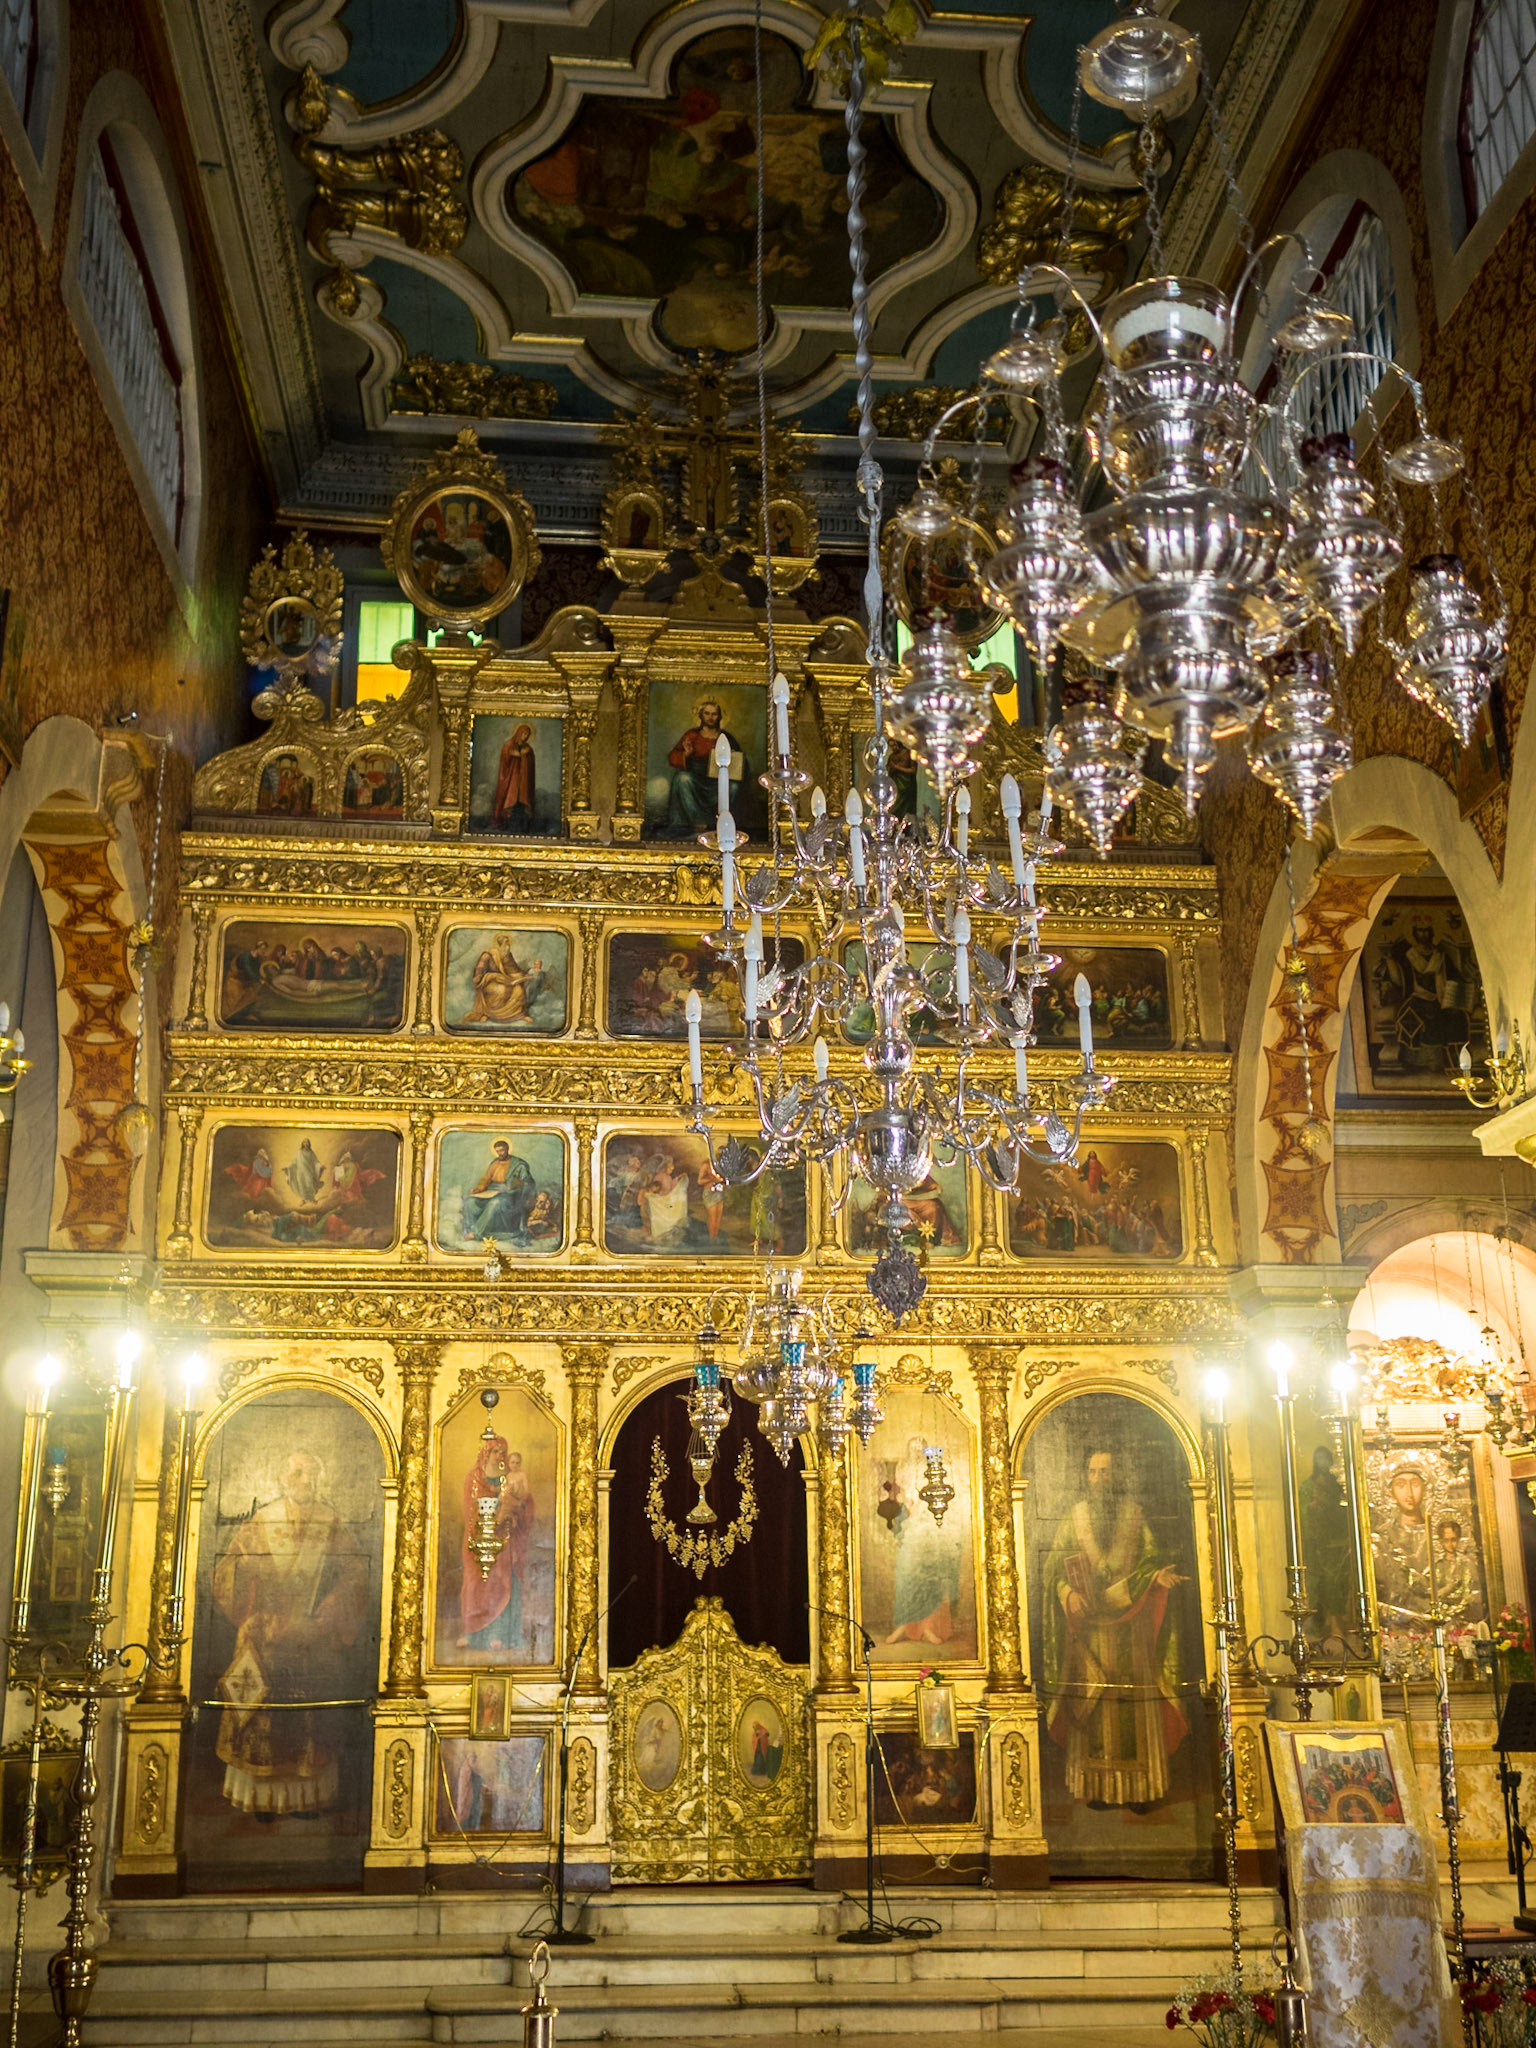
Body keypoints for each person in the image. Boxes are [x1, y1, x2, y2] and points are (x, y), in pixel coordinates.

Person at [212, 1450, 369, 1815]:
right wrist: (247, 1579)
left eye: (312, 1476)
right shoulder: (262, 1520)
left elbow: (357, 1574)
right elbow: (226, 1573)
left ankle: (306, 1800)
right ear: (285, 1479)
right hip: (266, 1633)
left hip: (313, 1634)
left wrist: (335, 1603)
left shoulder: (330, 1523)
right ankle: (261, 1801)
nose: (306, 1482)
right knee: (262, 1715)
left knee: (309, 1720)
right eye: (298, 1474)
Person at [1041, 1448, 1190, 1811]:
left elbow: (1151, 1559)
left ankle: (1140, 1790)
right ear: (1085, 1476)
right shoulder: (1073, 1519)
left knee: (1132, 1708)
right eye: (1093, 1472)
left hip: (1131, 1633)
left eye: (1105, 1473)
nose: (1099, 1480)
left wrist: (1155, 1575)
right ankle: (1098, 1788)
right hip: (1091, 1633)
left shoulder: (1134, 1517)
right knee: (1095, 1707)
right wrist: (1066, 1593)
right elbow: (1051, 1571)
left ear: (1115, 1476)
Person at [456, 1436, 536, 1655]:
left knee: (500, 1583)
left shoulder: (508, 1478)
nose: (499, 1456)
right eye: (494, 1451)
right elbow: (470, 1509)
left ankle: (498, 1633)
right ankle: (471, 1631)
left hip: (503, 1539)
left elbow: (524, 1503)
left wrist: (515, 1508)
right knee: (474, 1583)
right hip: (477, 1539)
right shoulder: (474, 1477)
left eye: (502, 1452)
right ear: (485, 1453)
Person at [880, 1439, 962, 1647]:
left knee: (932, 1576)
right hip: (911, 1527)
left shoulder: (934, 1473)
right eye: (913, 1449)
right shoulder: (904, 1471)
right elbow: (900, 1500)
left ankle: (930, 1626)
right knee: (906, 1576)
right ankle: (906, 1625)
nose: (916, 1453)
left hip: (932, 1529)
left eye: (920, 1449)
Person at [665, 700, 746, 836]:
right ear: (701, 716)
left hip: (718, 781)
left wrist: (732, 758)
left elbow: (741, 765)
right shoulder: (692, 736)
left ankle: (721, 823)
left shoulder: (726, 738)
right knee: (683, 779)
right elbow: (673, 756)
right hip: (695, 778)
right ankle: (697, 821)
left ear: (719, 717)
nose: (710, 717)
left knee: (734, 787)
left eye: (714, 714)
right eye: (707, 713)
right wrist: (687, 754)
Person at [1299, 1442, 1354, 1635]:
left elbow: (1346, 1508)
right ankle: (1321, 1622)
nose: (1323, 1463)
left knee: (1339, 1581)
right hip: (1316, 1545)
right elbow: (1303, 1515)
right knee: (1320, 1582)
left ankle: (1337, 1623)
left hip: (1339, 1541)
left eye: (1326, 1459)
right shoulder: (1308, 1487)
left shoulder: (1339, 1484)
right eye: (1319, 1459)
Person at [1373, 1464, 1432, 1620]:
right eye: (1401, 1485)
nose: (1409, 1493)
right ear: (1390, 1491)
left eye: (1415, 1484)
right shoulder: (1381, 1538)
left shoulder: (1439, 1533)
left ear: (1425, 1489)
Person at [462, 1140, 537, 1243]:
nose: (500, 1153)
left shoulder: (519, 1164)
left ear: (507, 1149)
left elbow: (528, 1183)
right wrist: (478, 1188)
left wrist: (514, 1186)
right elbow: (486, 1179)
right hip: (492, 1191)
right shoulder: (495, 1163)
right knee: (470, 1201)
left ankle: (476, 1232)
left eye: (502, 1150)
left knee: (495, 1203)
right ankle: (469, 1229)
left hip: (511, 1195)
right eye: (497, 1151)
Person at [492, 725, 537, 832]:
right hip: (511, 780)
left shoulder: (528, 749)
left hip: (523, 783)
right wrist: (511, 754)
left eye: (527, 734)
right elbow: (505, 761)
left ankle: (522, 827)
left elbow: (531, 767)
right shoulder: (508, 745)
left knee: (521, 807)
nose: (525, 736)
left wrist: (526, 755)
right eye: (524, 733)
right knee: (509, 802)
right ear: (518, 732)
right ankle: (505, 823)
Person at [284, 1139, 325, 1205]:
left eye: (307, 1142)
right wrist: (287, 1167)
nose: (306, 1144)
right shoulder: (298, 1153)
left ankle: (312, 1199)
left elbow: (316, 1162)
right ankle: (303, 1199)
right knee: (301, 1186)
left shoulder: (311, 1153)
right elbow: (293, 1162)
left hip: (308, 1172)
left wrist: (320, 1166)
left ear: (309, 1144)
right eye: (304, 1142)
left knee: (309, 1185)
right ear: (302, 1144)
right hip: (300, 1173)